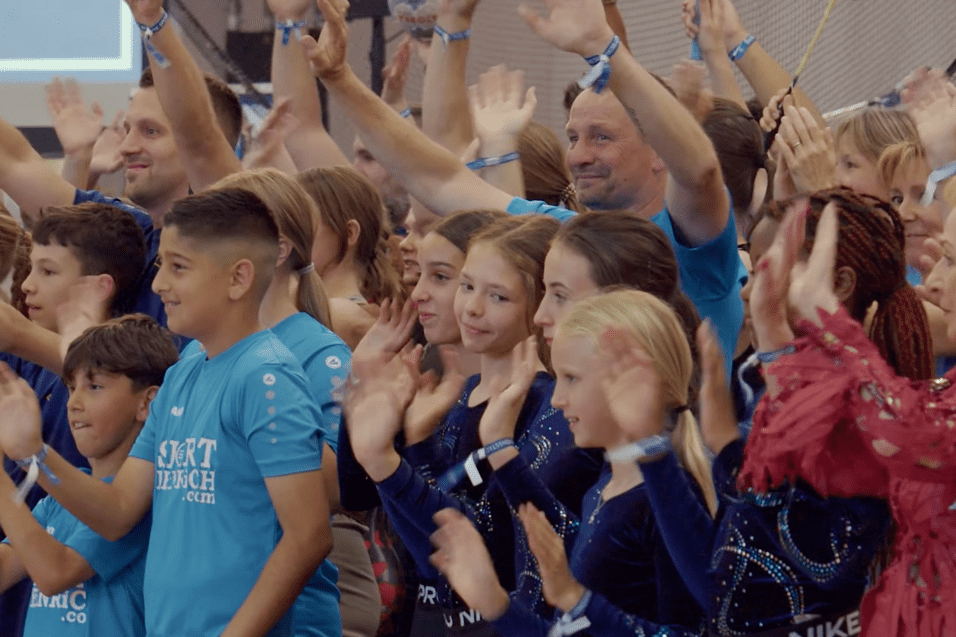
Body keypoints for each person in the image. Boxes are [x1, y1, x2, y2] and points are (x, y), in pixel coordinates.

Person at [300, 0, 744, 366]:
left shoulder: (691, 245)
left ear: (659, 153)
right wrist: (340, 79)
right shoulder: (565, 235)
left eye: (601, 138)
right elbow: (441, 177)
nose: (578, 155)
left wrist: (604, 48)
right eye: (572, 137)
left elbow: (700, 172)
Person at [0, 188, 333, 637]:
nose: (158, 286)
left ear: (238, 279)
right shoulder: (183, 373)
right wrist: (32, 454)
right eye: (162, 267)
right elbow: (117, 512)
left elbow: (308, 537)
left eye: (178, 267)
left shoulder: (267, 377)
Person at [429, 290, 715, 637]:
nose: (558, 399)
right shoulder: (608, 480)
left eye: (572, 378)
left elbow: (687, 632)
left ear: (633, 380)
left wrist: (573, 599)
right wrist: (496, 606)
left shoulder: (664, 501)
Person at [729, 189, 943, 636]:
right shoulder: (863, 397)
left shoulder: (876, 409)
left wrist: (825, 318)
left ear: (841, 285)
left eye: (954, 261)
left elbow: (905, 436)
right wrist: (772, 333)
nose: (933, 279)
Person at [0, 203, 147, 637]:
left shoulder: (129, 498)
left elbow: (55, 570)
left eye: (47, 272)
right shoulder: (53, 507)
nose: (27, 285)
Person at [0, 315, 179, 637]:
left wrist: (17, 463)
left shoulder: (145, 502)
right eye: (71, 387)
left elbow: (54, 572)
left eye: (94, 386)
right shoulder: (58, 501)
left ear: (147, 402)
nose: (75, 403)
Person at [296, 166, 404, 348]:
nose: (288, 235)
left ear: (349, 233)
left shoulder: (339, 316)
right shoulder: (325, 310)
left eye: (303, 221)